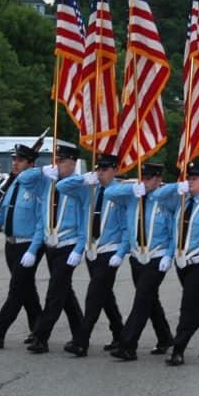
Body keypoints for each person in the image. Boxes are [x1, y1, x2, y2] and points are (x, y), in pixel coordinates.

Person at [154, 162, 199, 367]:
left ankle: (178, 348)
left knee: (189, 306)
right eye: (189, 178)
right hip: (182, 263)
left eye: (194, 179)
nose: (190, 182)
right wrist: (175, 188)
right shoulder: (181, 201)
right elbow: (157, 197)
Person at [104, 162, 176, 361]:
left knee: (141, 300)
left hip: (157, 257)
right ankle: (165, 337)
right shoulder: (133, 196)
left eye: (148, 178)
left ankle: (127, 345)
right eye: (142, 177)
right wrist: (133, 187)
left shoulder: (166, 200)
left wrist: (169, 255)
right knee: (149, 300)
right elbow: (109, 193)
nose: (144, 182)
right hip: (137, 258)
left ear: (158, 179)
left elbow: (174, 233)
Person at [20, 144, 85, 354]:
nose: (58, 165)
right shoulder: (47, 183)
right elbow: (22, 179)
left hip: (68, 246)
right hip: (50, 245)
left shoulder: (80, 186)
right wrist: (40, 171)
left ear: (73, 163)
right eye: (56, 161)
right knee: (64, 292)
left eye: (63, 162)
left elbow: (85, 221)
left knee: (55, 292)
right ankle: (80, 332)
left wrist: (79, 249)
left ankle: (40, 337)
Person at [0, 143, 43, 348]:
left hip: (27, 245)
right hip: (10, 245)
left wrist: (33, 250)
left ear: (31, 164)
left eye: (20, 160)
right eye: (14, 159)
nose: (15, 163)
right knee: (27, 291)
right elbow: (5, 215)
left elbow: (42, 221)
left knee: (16, 290)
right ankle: (39, 331)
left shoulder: (36, 185)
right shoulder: (13, 184)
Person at [61, 153, 127, 357]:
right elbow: (61, 187)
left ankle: (81, 342)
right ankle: (120, 334)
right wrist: (82, 178)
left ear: (114, 170)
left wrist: (121, 252)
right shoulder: (90, 190)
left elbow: (127, 229)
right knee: (105, 296)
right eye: (98, 169)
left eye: (104, 169)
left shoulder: (121, 193)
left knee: (93, 297)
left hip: (109, 252)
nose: (100, 173)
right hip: (91, 252)